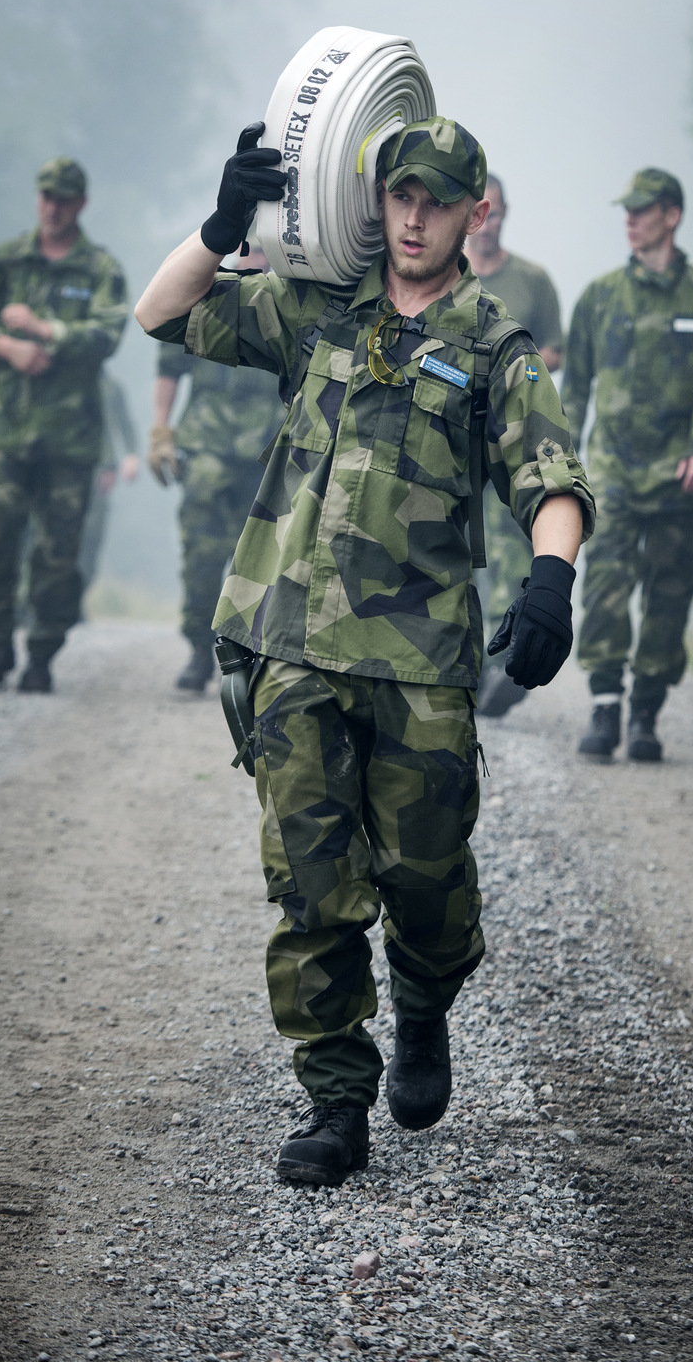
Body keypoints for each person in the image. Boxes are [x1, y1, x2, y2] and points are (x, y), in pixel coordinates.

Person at [135, 117, 594, 1189]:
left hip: (421, 664)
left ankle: (424, 1000)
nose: (416, 218)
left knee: (426, 884)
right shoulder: (316, 309)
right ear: (378, 201)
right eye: (401, 196)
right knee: (312, 886)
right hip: (289, 642)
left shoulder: (495, 345)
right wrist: (221, 223)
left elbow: (552, 476)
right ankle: (335, 1101)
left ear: (476, 211)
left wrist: (550, 580)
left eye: (439, 200)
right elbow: (163, 312)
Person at [561, 167, 693, 763]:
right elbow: (575, 388)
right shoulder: (601, 296)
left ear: (672, 215)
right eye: (628, 210)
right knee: (605, 588)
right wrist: (563, 461)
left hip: (680, 475)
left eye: (642, 209)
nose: (630, 220)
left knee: (670, 595)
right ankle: (605, 703)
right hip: (613, 471)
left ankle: (646, 711)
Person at [0, 157, 129, 692]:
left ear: (81, 203)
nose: (53, 207)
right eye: (46, 196)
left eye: (63, 198)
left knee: (57, 554)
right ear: (38, 198)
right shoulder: (6, 261)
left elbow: (109, 335)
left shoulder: (99, 268)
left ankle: (42, 655)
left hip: (69, 438)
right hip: (3, 431)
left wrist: (46, 330)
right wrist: (3, 345)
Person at [147, 247, 283, 693]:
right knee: (202, 554)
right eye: (249, 246)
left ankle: (248, 657)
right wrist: (161, 430)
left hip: (268, 451)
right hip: (207, 447)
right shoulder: (205, 292)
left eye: (264, 247)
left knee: (261, 561)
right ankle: (197, 649)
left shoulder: (289, 298)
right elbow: (170, 365)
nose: (256, 256)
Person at [465, 172, 564, 718]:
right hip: (453, 439)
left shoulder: (532, 281)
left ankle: (505, 664)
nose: (488, 223)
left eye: (497, 212)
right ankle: (462, 666)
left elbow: (555, 351)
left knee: (506, 553)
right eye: (482, 212)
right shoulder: (445, 278)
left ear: (503, 215)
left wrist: (509, 363)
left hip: (511, 438)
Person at [78, 372, 141, 597]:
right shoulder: (57, 374)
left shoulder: (109, 386)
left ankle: (76, 597)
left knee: (92, 534)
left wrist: (131, 455)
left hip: (100, 467)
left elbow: (124, 422)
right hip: (56, 464)